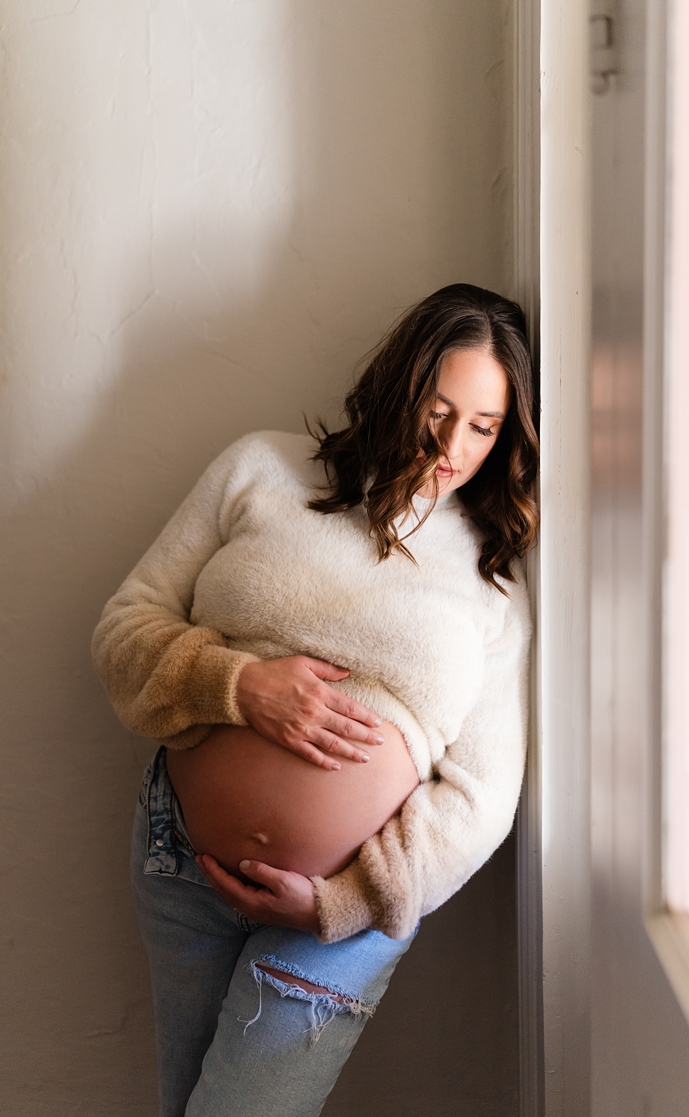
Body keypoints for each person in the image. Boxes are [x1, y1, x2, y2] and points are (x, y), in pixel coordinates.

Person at [92, 283, 538, 1116]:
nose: (453, 447)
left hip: (341, 918)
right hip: (181, 860)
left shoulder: (490, 581)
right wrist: (239, 685)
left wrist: (341, 900)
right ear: (400, 383)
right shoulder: (261, 467)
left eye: (483, 427)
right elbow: (123, 630)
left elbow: (482, 798)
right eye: (438, 411)